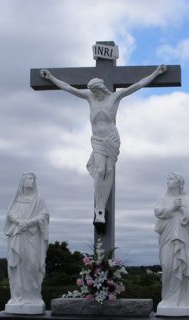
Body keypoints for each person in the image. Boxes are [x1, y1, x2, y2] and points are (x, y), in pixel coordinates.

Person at [40, 65, 167, 228]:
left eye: (96, 91)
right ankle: (98, 208)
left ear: (101, 88)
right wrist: (50, 77)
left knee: (108, 171)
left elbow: (138, 84)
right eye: (92, 92)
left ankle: (102, 207)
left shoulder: (115, 97)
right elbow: (68, 88)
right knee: (99, 171)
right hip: (98, 140)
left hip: (112, 138)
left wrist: (156, 73)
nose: (95, 94)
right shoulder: (89, 97)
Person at [4, 173, 49, 314]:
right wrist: (19, 222)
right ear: (23, 182)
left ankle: (34, 297)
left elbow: (44, 216)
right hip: (18, 236)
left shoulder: (39, 201)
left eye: (34, 179)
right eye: (29, 178)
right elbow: (10, 214)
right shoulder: (16, 201)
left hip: (33, 239)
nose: (32, 181)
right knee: (18, 267)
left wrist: (28, 223)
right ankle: (18, 297)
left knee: (33, 265)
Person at [154, 173, 189, 316]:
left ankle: (184, 300)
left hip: (184, 239)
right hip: (167, 238)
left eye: (171, 179)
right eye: (168, 179)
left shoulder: (188, 200)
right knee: (167, 266)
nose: (168, 181)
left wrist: (182, 209)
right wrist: (173, 207)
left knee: (183, 268)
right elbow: (158, 212)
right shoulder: (163, 198)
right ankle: (168, 299)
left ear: (179, 183)